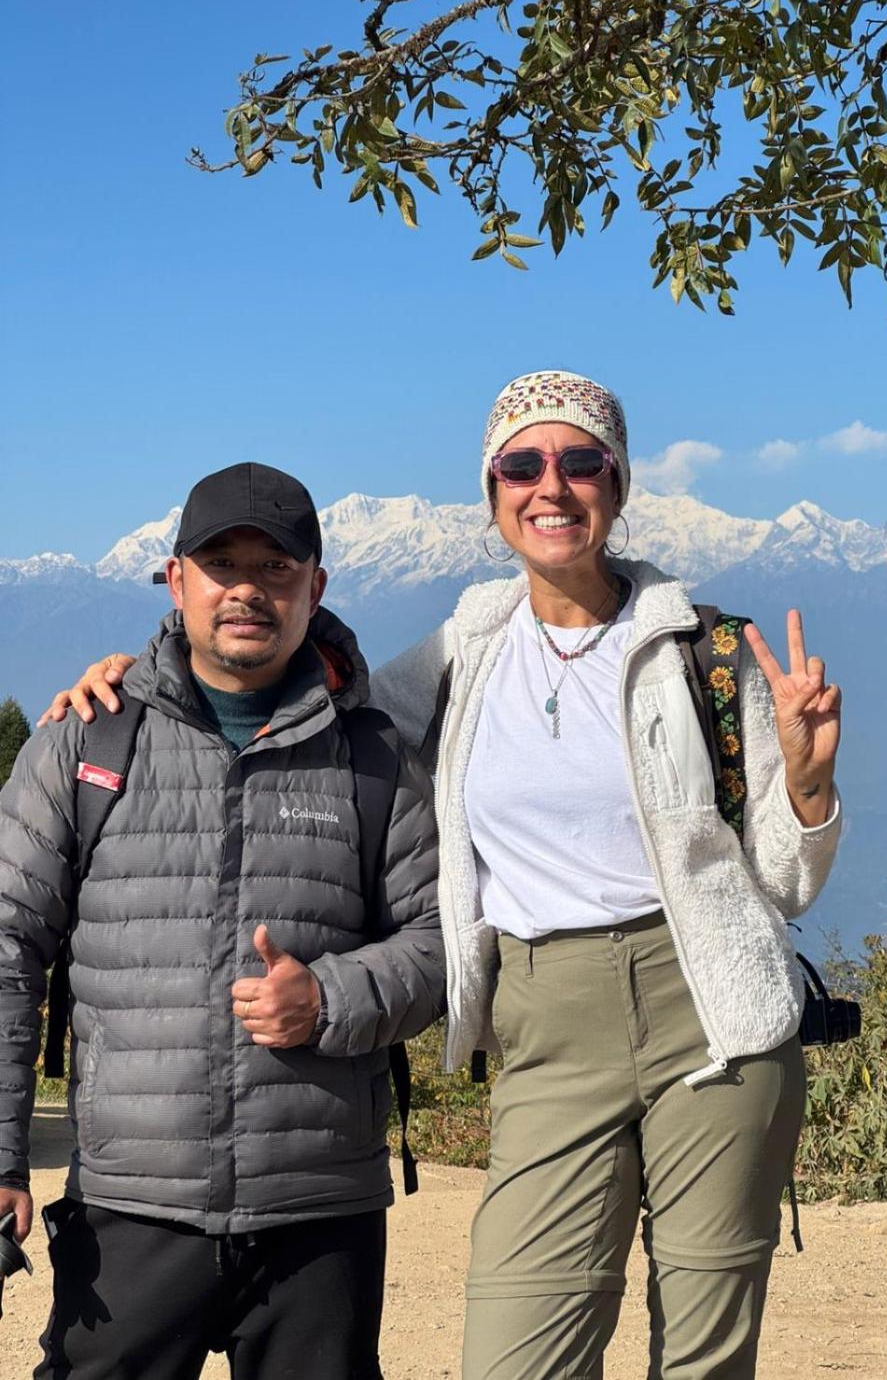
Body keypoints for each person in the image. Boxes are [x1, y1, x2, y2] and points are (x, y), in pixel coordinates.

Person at [48, 372, 842, 1379]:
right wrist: (147, 679)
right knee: (515, 1354)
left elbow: (786, 878)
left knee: (704, 1357)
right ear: (492, 490)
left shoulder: (706, 650)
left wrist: (807, 784)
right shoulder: (462, 653)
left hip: (715, 1019)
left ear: (618, 483)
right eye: (521, 464)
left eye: (581, 460)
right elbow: (318, 698)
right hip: (546, 1026)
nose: (551, 485)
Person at [3, 462, 444, 1379]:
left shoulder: (373, 757)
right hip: (129, 1207)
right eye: (222, 565)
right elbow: (7, 945)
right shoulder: (86, 742)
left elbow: (442, 939)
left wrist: (329, 998)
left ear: (315, 587)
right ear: (177, 581)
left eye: (276, 567)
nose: (248, 589)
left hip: (320, 1213)